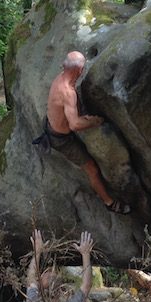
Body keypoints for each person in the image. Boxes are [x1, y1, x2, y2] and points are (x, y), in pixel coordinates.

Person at [38, 50, 130, 214]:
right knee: (92, 169)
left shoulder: (61, 78)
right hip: (62, 139)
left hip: (53, 125)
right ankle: (109, 203)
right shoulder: (68, 92)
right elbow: (74, 125)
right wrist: (95, 121)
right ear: (79, 71)